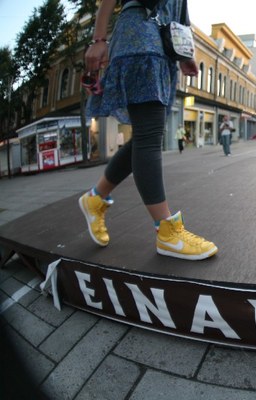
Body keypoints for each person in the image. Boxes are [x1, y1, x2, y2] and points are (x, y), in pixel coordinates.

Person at [78, 0, 218, 261]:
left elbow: (180, 14)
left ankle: (95, 198)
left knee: (145, 137)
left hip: (164, 48)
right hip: (140, 38)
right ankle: (167, 232)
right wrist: (99, 39)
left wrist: (185, 54)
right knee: (148, 138)